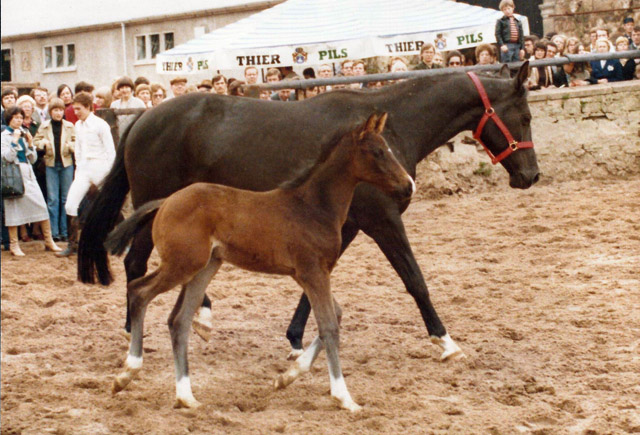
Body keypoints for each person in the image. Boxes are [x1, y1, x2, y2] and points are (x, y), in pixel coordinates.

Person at [58, 92, 115, 256]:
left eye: (79, 109)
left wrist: (108, 174)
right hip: (84, 169)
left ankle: (117, 240)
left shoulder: (101, 125)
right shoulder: (78, 126)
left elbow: (110, 151)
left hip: (101, 167)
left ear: (89, 107)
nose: (76, 112)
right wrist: (79, 170)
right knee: (70, 204)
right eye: (74, 109)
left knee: (108, 204)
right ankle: (72, 244)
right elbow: (79, 150)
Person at [2, 106, 61, 255]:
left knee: (41, 205)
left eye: (21, 118)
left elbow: (33, 159)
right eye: (16, 118)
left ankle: (49, 241)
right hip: (13, 174)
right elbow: (7, 157)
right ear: (9, 119)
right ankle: (14, 245)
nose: (19, 120)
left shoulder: (25, 132)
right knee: (13, 208)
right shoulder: (4, 136)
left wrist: (29, 144)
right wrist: (14, 141)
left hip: (28, 172)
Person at [33, 98, 76, 242]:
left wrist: (71, 145)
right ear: (50, 112)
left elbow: (77, 141)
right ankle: (53, 232)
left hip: (66, 164)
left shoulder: (69, 126)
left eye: (60, 110)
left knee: (65, 198)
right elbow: (35, 142)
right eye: (55, 110)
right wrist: (43, 143)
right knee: (52, 199)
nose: (58, 113)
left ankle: (64, 231)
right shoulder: (44, 126)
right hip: (51, 165)